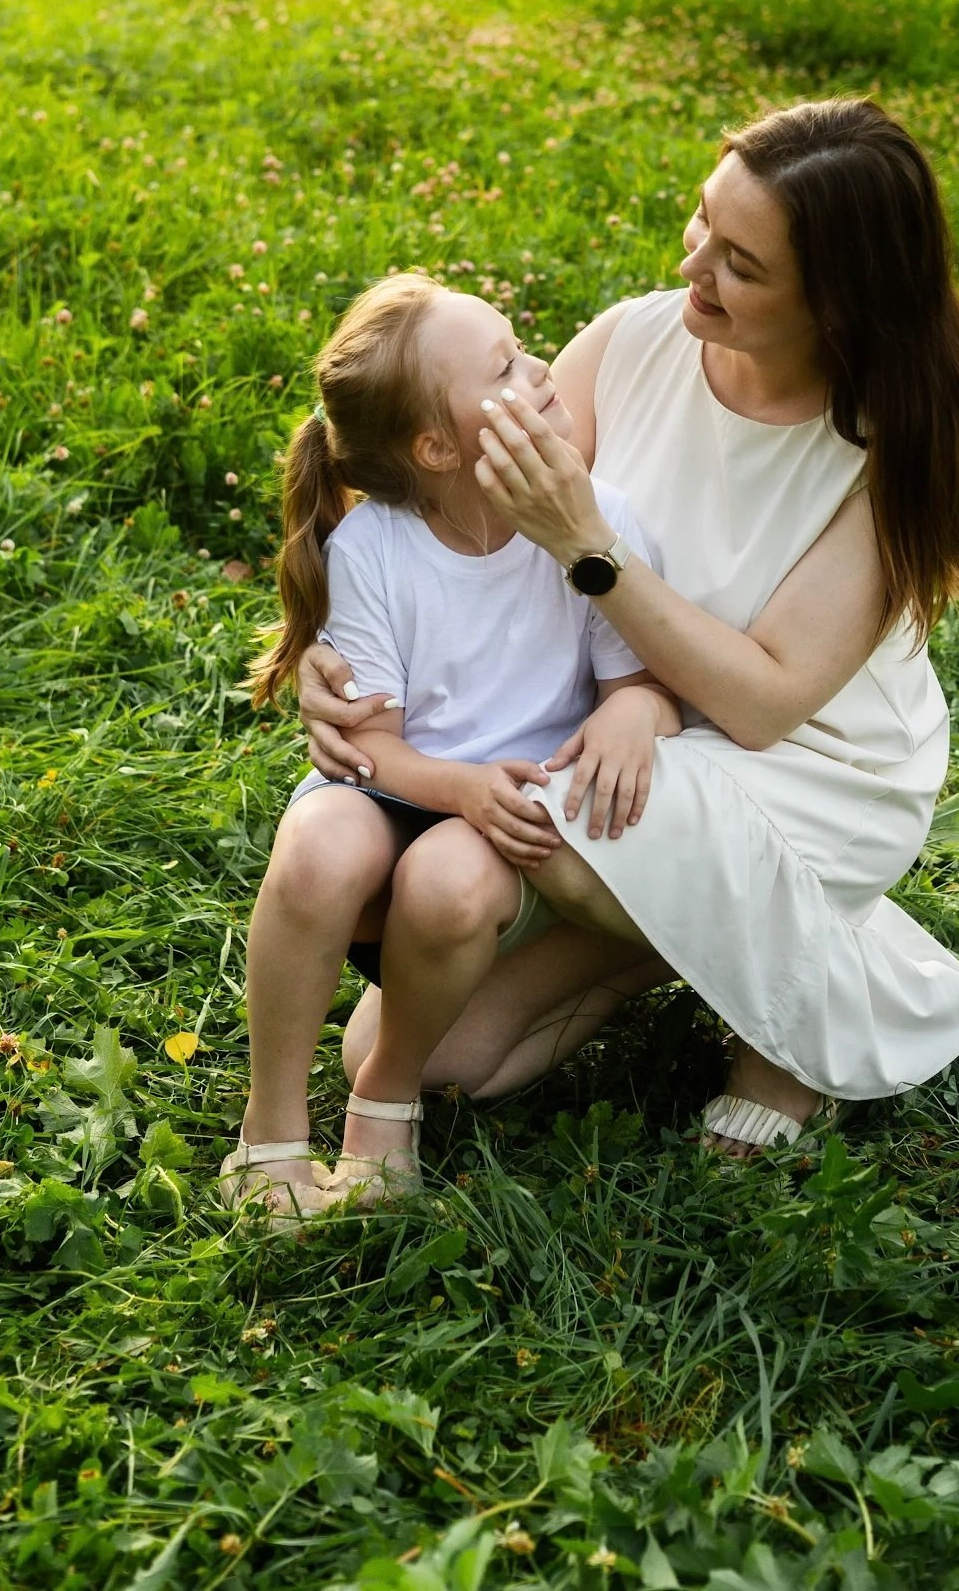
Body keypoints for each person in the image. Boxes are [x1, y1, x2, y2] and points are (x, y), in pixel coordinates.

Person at [300, 96, 959, 1153]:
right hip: (633, 723)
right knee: (421, 1061)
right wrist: (341, 652)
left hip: (809, 768)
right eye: (702, 224)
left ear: (840, 307)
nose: (692, 269)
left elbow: (764, 703)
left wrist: (590, 547)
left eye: (741, 265)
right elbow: (467, 529)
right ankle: (682, 937)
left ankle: (789, 1027)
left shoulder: (886, 456)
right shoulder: (633, 341)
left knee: (547, 826)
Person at [221, 273, 677, 1221]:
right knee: (316, 849)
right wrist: (458, 785)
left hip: (513, 808)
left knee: (448, 880)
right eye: (506, 364)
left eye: (522, 344)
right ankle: (270, 1131)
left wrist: (635, 709)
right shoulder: (377, 548)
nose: (542, 367)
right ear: (435, 447)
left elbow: (634, 679)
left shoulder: (593, 523)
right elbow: (368, 748)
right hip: (406, 780)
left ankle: (382, 1104)